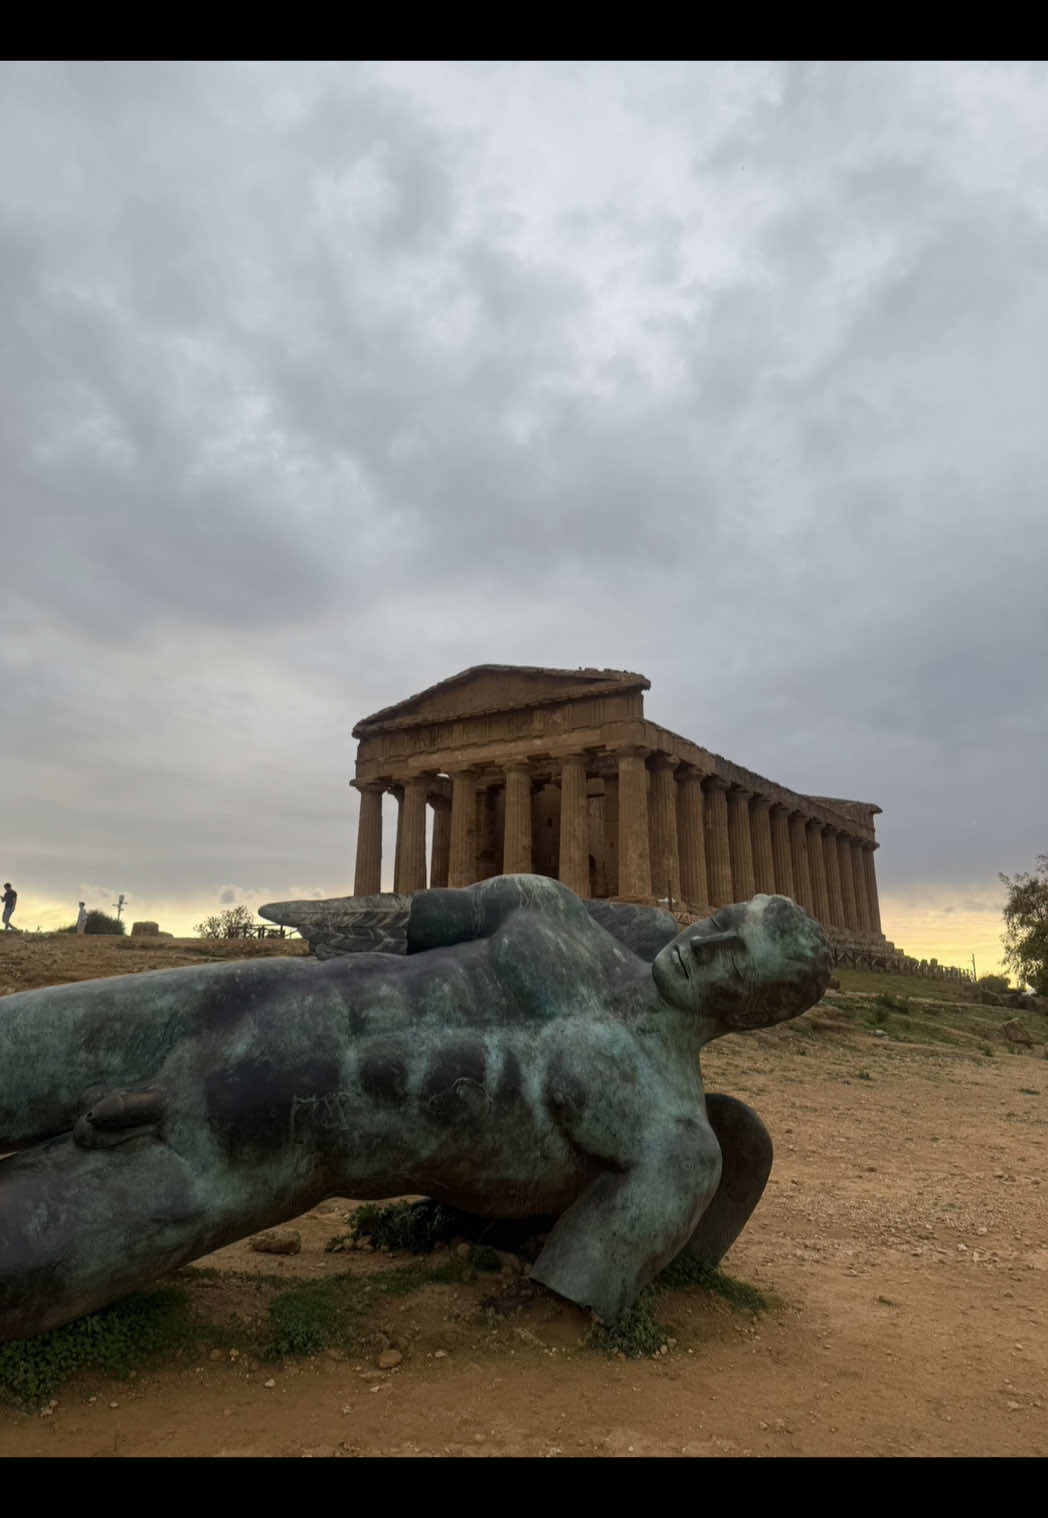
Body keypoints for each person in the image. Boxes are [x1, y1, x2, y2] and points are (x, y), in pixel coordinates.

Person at [0, 874, 828, 1340]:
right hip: (221, 1006)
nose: (705, 945)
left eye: (736, 961)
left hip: (243, 1155)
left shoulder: (673, 1142)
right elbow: (396, 923)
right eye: (724, 922)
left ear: (756, 1010)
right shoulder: (554, 914)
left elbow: (564, 1305)